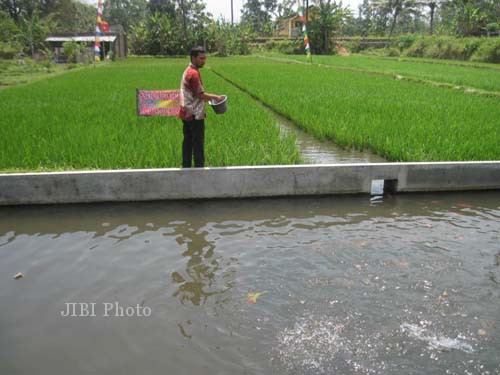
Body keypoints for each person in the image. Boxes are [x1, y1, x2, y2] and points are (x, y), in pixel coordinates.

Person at [179, 46, 223, 168]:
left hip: (186, 112)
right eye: (201, 58)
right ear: (193, 58)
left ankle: (186, 167)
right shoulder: (193, 74)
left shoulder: (188, 70)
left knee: (187, 141)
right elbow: (200, 95)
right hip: (194, 115)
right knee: (198, 143)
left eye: (205, 58)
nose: (204, 61)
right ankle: (199, 169)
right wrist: (216, 97)